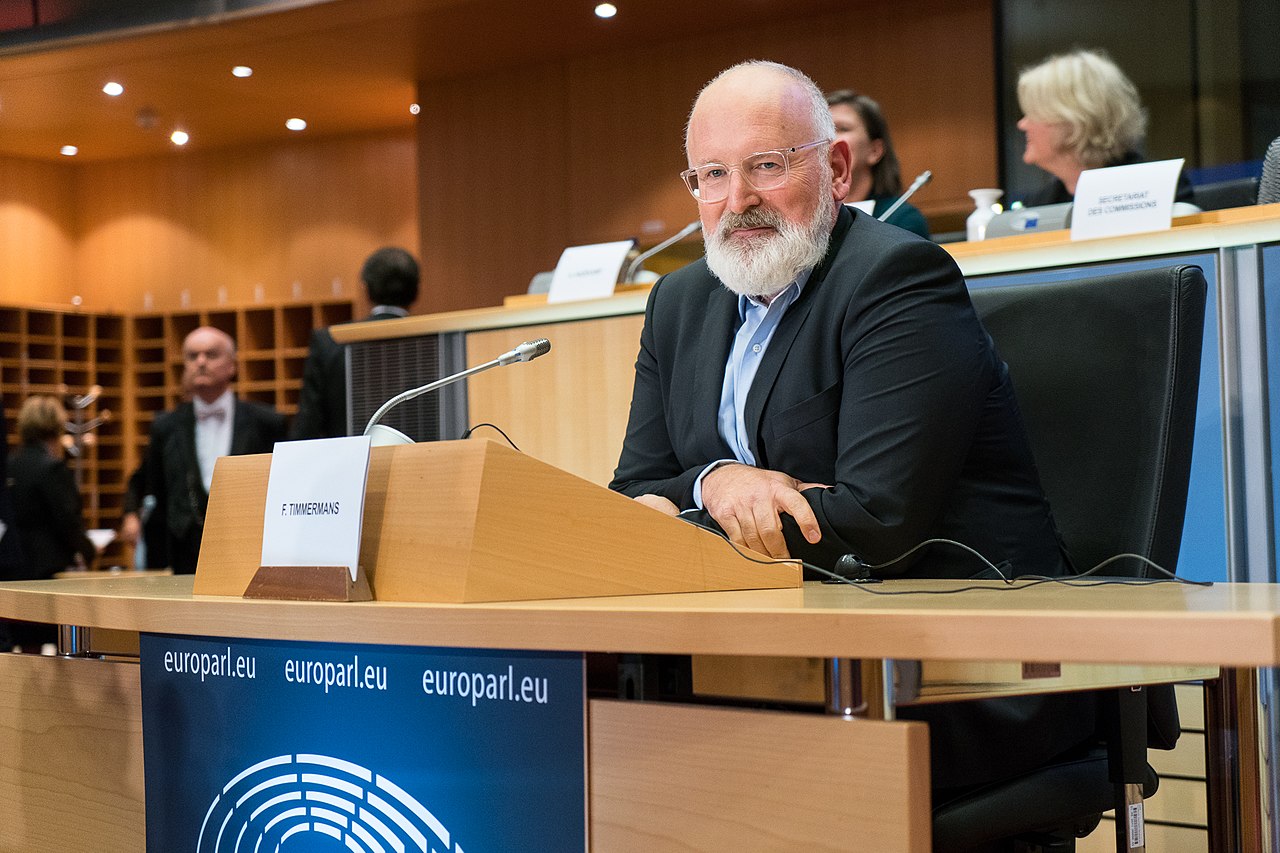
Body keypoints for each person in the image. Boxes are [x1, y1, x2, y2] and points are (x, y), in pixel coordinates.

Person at [609, 59, 1094, 798]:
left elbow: (876, 519)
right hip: (779, 653)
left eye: (765, 166)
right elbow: (634, 494)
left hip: (954, 667)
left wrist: (679, 509)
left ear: (837, 168)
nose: (736, 200)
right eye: (710, 175)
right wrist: (717, 482)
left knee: (680, 765)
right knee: (614, 741)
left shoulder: (897, 279)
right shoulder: (676, 302)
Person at [145, 326, 286, 573]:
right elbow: (155, 488)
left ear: (232, 366)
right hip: (184, 551)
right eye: (192, 356)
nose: (200, 362)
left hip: (250, 547)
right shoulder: (165, 426)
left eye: (211, 355)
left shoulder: (268, 422)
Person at [1016, 48, 1193, 206]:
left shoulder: (1157, 186)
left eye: (1033, 113)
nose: (1022, 124)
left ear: (1076, 119)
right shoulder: (1035, 206)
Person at [290, 247, 420, 440]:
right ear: (416, 291)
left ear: (365, 289)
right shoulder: (438, 340)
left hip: (349, 463)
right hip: (419, 461)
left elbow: (309, 422)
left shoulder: (330, 342)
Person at [5, 395, 98, 650]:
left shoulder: (9, 465)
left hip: (13, 572)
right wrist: (88, 551)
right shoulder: (52, 469)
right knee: (61, 644)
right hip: (48, 573)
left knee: (24, 648)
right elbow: (68, 520)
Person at [826, 89, 930, 238]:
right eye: (824, 130)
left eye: (842, 128)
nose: (830, 138)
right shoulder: (810, 220)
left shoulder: (903, 220)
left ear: (875, 151)